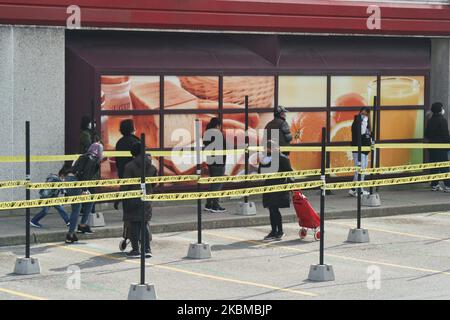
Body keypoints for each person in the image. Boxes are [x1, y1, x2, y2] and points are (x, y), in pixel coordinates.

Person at [121, 142, 157, 258]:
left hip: (132, 199)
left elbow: (125, 185)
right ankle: (147, 249)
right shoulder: (152, 167)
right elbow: (154, 183)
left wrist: (120, 197)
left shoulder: (129, 166)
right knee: (144, 222)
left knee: (134, 223)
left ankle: (135, 249)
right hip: (146, 198)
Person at [65, 142, 103, 244]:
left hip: (70, 179)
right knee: (76, 208)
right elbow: (86, 174)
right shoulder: (93, 159)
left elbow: (74, 169)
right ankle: (70, 235)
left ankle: (82, 225)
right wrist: (84, 189)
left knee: (90, 200)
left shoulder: (83, 156)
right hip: (77, 181)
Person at [259, 140, 293, 241]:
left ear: (271, 148)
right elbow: (261, 172)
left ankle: (280, 231)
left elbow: (289, 173)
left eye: (266, 148)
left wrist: (292, 187)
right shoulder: (266, 159)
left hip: (278, 187)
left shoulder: (282, 158)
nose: (265, 150)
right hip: (269, 186)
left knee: (274, 209)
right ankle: (274, 231)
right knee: (271, 209)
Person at [114, 119, 140, 210]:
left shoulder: (119, 142)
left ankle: (126, 211)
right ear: (132, 128)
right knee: (135, 195)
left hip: (122, 172)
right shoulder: (135, 141)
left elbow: (117, 160)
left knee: (126, 193)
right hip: (135, 174)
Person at [425, 102, 450, 192]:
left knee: (434, 166)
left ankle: (434, 185)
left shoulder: (430, 120)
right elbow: (445, 135)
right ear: (440, 110)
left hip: (432, 147)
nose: (443, 109)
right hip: (441, 147)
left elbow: (426, 134)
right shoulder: (442, 120)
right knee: (444, 167)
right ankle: (448, 185)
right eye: (442, 108)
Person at [203, 117, 227, 213]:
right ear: (218, 125)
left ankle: (209, 204)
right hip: (219, 162)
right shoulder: (218, 133)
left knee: (213, 183)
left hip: (210, 161)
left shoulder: (206, 133)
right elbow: (223, 147)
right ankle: (215, 205)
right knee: (217, 184)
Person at [349, 107, 372, 197]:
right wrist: (365, 121)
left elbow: (368, 135)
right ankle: (359, 190)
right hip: (358, 149)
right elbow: (361, 132)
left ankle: (354, 189)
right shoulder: (357, 123)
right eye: (363, 114)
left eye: (366, 114)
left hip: (365, 150)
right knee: (360, 170)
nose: (364, 116)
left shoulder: (367, 124)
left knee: (362, 170)